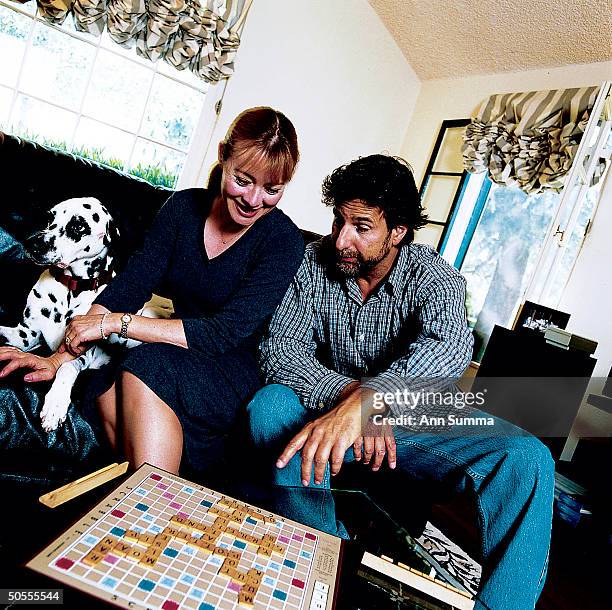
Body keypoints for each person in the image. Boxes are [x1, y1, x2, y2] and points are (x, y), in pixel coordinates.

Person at [247, 154, 555, 610]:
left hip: (410, 418)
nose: (341, 239)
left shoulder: (435, 276)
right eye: (338, 221)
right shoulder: (313, 263)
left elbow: (450, 350)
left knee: (529, 458)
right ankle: (330, 571)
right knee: (269, 407)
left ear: (398, 231)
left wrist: (377, 399)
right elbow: (282, 352)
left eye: (361, 226)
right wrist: (355, 401)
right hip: (327, 409)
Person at [0, 107, 304, 476]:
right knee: (103, 388)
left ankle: (156, 509)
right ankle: (155, 510)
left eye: (272, 190)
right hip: (171, 352)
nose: (254, 200)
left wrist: (115, 324)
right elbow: (132, 284)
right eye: (243, 180)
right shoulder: (182, 209)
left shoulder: (282, 240)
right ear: (223, 155)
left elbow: (223, 332)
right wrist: (59, 359)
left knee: (143, 365)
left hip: (230, 369)